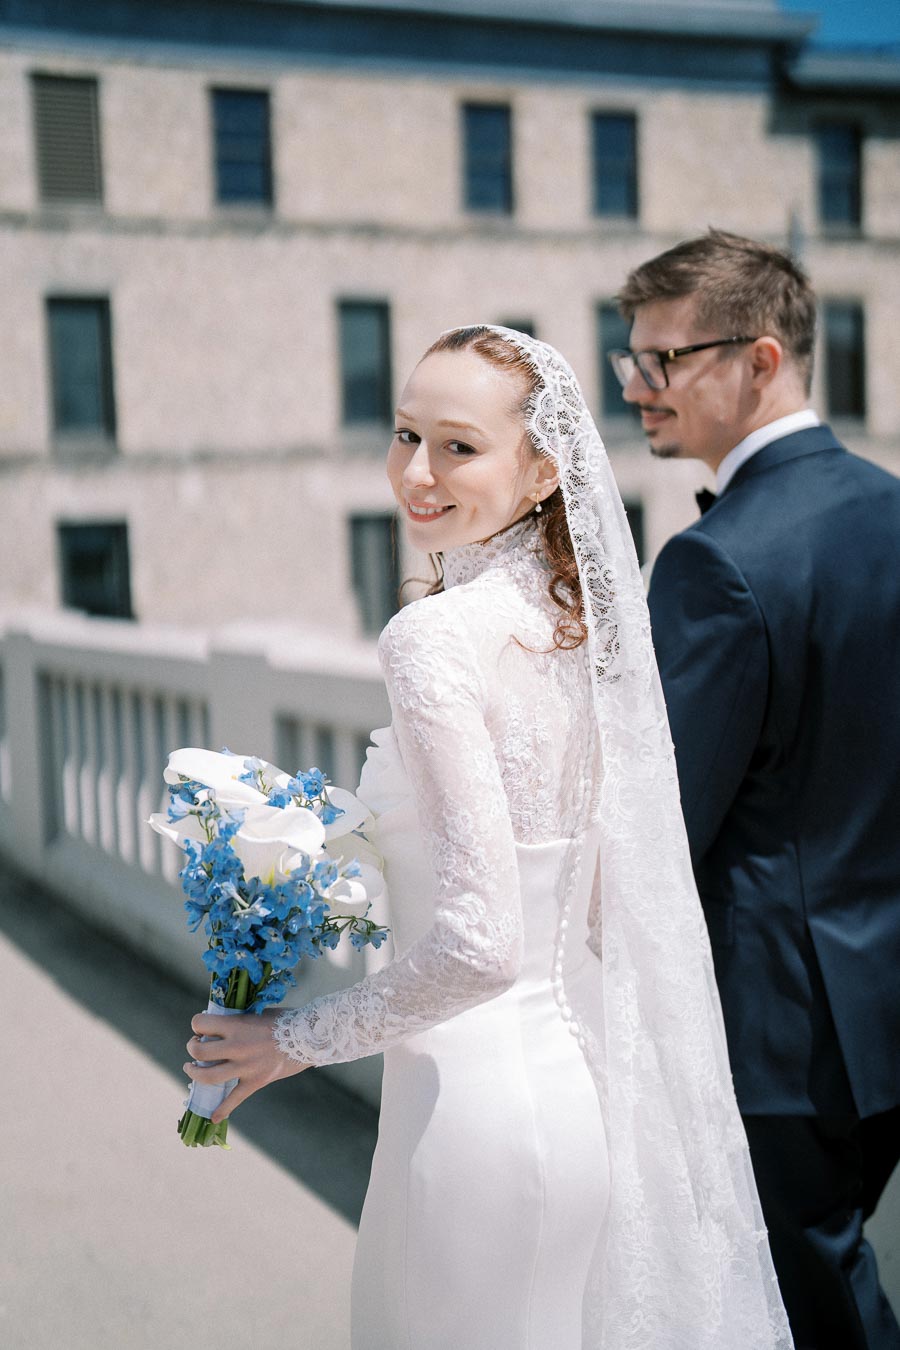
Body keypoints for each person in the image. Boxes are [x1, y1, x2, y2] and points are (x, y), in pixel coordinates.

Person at [183, 325, 791, 1349]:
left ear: (544, 469)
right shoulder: (577, 629)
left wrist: (285, 1042)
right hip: (570, 1097)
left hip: (467, 1118)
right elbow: (588, 905)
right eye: (406, 432)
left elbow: (477, 942)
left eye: (460, 446)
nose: (417, 472)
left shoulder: (431, 641)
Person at [612, 229, 900, 1350]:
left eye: (664, 361)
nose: (638, 388)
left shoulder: (718, 560)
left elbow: (657, 825)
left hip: (781, 1033)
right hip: (877, 1006)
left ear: (762, 361)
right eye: (630, 357)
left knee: (814, 1315)